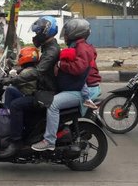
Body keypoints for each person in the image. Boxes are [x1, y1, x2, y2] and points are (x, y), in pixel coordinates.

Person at [31, 18, 101, 151]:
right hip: (79, 86)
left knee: (53, 104)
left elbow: (79, 68)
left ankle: (49, 141)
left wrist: (60, 64)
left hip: (84, 89)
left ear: (76, 32)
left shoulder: (83, 48)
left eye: (68, 32)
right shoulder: (77, 46)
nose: (66, 35)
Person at [0, 16, 60, 158]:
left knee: (16, 105)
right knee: (11, 92)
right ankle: (12, 127)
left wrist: (15, 79)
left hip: (46, 93)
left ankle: (16, 142)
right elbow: (34, 66)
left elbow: (38, 71)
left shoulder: (51, 51)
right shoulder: (47, 48)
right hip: (41, 89)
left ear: (45, 32)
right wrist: (16, 71)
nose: (35, 36)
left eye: (37, 33)